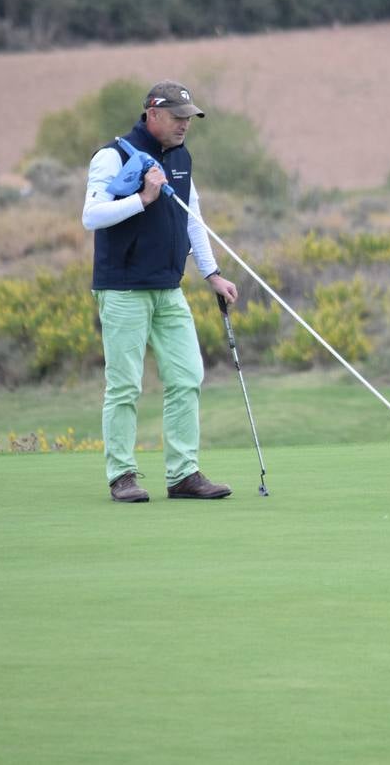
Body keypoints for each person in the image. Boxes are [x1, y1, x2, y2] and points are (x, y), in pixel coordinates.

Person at [82, 80, 239, 502]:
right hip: (123, 288)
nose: (185, 124)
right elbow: (92, 215)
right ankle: (122, 476)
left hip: (169, 288)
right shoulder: (111, 156)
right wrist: (144, 198)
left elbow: (192, 218)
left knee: (188, 376)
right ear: (153, 113)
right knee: (125, 386)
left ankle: (183, 473)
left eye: (189, 117)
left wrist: (213, 275)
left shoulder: (182, 158)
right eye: (177, 116)